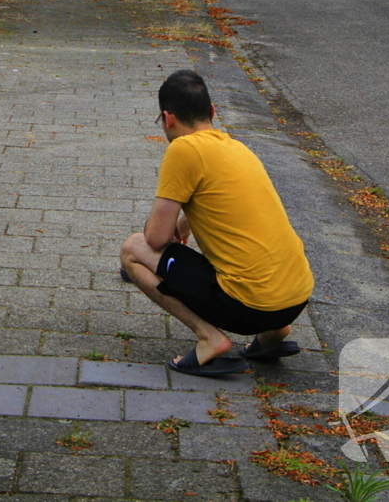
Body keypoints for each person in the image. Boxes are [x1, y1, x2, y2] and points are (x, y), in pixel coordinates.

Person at [119, 69, 314, 377]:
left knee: (133, 249)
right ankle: (274, 334)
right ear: (211, 111)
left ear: (168, 119)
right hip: (295, 298)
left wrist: (164, 225)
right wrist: (184, 226)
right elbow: (220, 204)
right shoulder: (235, 147)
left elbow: (155, 239)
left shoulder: (183, 149)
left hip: (249, 307)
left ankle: (210, 339)